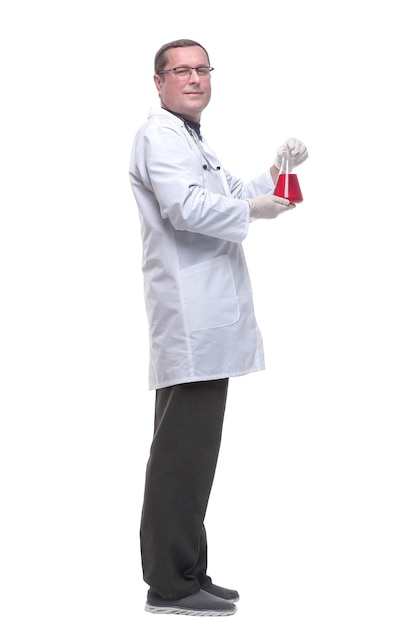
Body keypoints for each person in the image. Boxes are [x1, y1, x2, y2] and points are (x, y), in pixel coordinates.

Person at [129, 38, 308, 617]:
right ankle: (171, 586)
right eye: (180, 70)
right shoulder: (159, 135)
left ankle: (186, 570)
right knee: (183, 453)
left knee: (191, 452)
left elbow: (229, 193)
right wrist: (251, 213)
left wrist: (276, 171)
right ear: (158, 82)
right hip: (191, 320)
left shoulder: (189, 141)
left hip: (205, 322)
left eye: (203, 69)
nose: (195, 78)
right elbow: (185, 207)